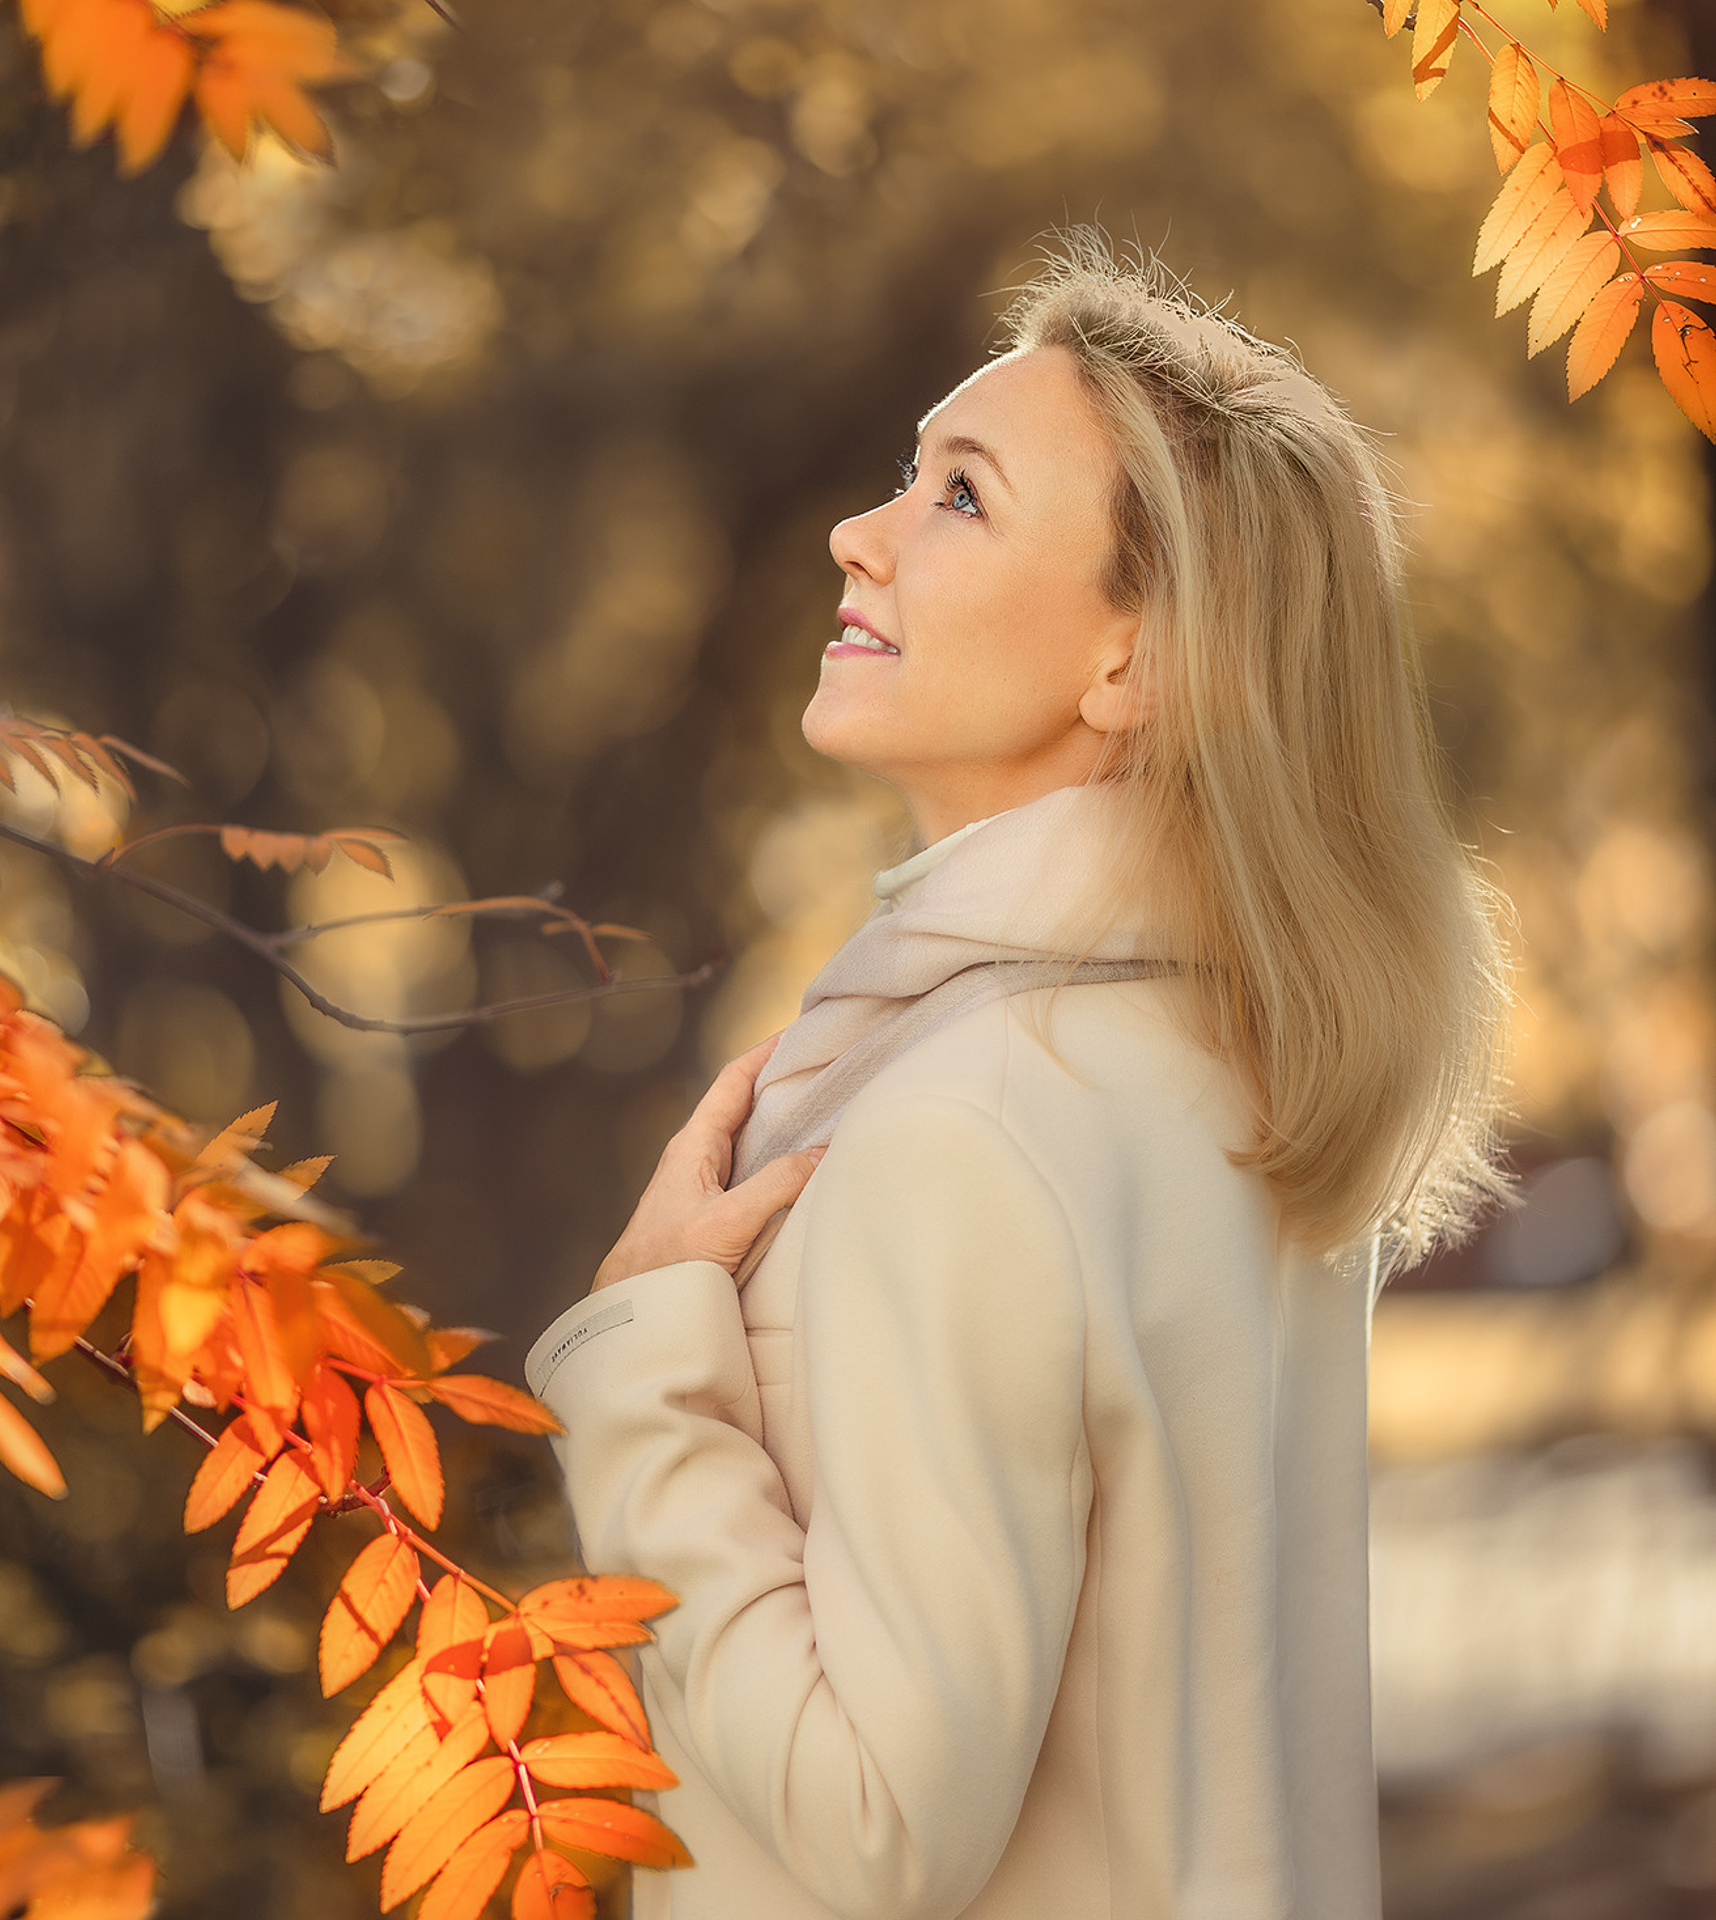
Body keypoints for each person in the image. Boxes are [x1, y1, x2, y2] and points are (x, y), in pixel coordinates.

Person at [523, 234, 1510, 1920]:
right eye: (911, 473)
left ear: (1132, 661)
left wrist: (644, 1381)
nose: (862, 532)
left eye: (961, 498)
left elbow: (877, 1832)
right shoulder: (1250, 1074)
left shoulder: (964, 1128)